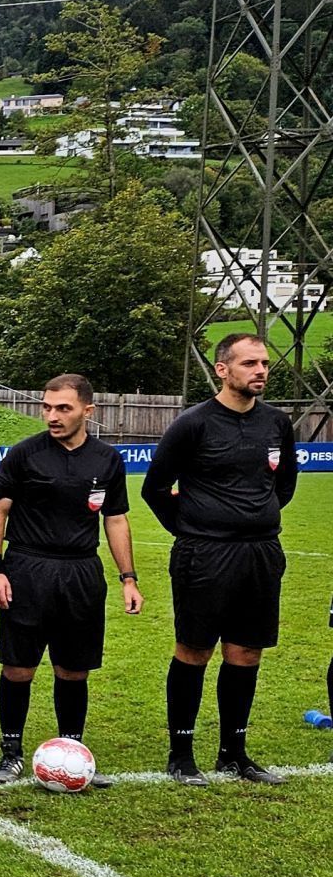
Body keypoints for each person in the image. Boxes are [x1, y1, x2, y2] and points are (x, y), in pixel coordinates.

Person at [142, 333, 298, 785]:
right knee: (195, 650)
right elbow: (155, 489)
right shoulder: (193, 424)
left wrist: (255, 517)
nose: (261, 370)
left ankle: (234, 752)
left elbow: (284, 485)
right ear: (222, 370)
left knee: (246, 651)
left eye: (264, 363)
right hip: (204, 554)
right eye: (250, 363)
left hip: (261, 553)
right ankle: (181, 755)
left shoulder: (277, 423)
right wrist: (194, 528)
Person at [0, 374, 142, 786]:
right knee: (19, 668)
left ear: (88, 411)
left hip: (82, 572)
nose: (52, 416)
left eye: (63, 408)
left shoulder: (107, 459)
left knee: (74, 670)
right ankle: (10, 753)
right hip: (28, 569)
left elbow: (116, 519)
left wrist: (128, 578)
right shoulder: (25, 454)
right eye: (47, 407)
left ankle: (73, 751)